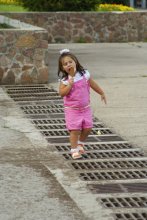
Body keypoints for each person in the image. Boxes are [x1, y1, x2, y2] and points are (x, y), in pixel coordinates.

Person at [58, 49, 107, 159]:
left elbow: (92, 84)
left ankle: (80, 143)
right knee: (75, 130)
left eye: (70, 62)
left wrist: (101, 92)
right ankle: (74, 150)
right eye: (65, 64)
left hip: (85, 108)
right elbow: (61, 93)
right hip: (72, 109)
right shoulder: (65, 80)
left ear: (75, 61)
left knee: (88, 128)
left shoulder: (84, 74)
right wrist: (69, 85)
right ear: (62, 68)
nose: (68, 64)